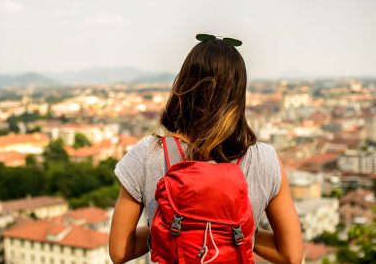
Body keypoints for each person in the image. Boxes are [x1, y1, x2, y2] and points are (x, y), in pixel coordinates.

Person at [109, 35, 303, 264]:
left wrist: (169, 229)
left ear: (184, 84)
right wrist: (237, 232)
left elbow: (120, 251)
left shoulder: (146, 153)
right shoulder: (266, 160)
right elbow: (290, 254)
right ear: (238, 92)